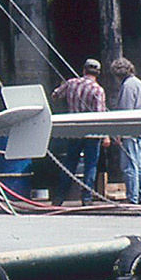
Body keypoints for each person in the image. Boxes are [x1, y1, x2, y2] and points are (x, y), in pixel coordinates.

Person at [51, 58, 108, 205]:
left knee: (70, 163)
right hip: (92, 132)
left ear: (84, 70)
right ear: (98, 73)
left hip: (75, 130)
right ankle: (86, 198)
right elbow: (100, 115)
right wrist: (105, 136)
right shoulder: (98, 90)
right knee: (90, 165)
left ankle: (59, 197)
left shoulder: (71, 83)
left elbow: (55, 95)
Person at [112, 57, 141, 205]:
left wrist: (119, 132)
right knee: (139, 164)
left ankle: (132, 197)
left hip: (130, 130)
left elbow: (125, 111)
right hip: (140, 128)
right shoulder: (140, 84)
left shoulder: (127, 86)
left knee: (129, 165)